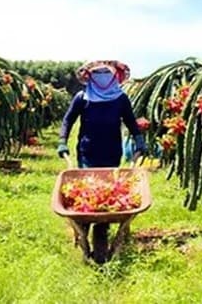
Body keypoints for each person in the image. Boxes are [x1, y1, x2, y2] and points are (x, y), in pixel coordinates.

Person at [57, 60, 147, 263]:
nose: (103, 79)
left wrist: (139, 139)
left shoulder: (120, 99)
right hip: (87, 151)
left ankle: (99, 225)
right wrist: (63, 141)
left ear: (115, 77)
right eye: (98, 75)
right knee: (88, 188)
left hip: (111, 151)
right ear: (90, 78)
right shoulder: (83, 97)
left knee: (109, 190)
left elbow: (131, 121)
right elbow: (68, 120)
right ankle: (84, 226)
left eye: (106, 74)